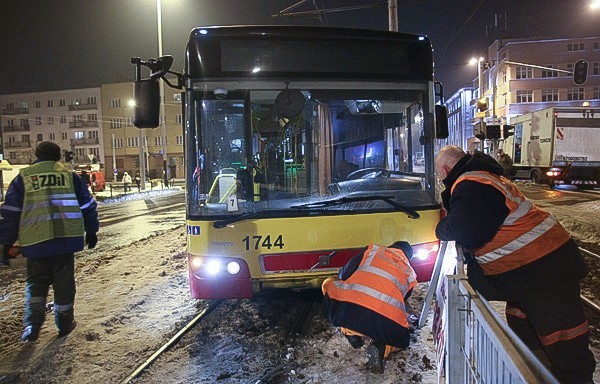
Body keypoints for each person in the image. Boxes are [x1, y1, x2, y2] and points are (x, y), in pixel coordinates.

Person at [434, 145, 595, 384]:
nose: (440, 179)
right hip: (531, 272)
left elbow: (466, 229)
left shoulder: (471, 183)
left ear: (447, 169)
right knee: (527, 334)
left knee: (563, 342)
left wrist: (440, 229)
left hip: (544, 270)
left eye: (439, 175)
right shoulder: (480, 179)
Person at [0, 141, 99, 342]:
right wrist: (91, 230)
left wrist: (6, 243)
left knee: (36, 283)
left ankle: (32, 325)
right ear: (58, 157)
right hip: (65, 241)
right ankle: (64, 324)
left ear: (37, 155)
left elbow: (11, 213)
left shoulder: (24, 177)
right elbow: (87, 204)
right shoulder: (68, 175)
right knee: (64, 284)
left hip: (36, 241)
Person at [321, 241, 417, 374]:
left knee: (328, 283)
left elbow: (344, 274)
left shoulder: (372, 251)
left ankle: (349, 331)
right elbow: (401, 302)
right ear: (408, 257)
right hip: (383, 321)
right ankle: (383, 347)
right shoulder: (410, 274)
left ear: (392, 247)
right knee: (402, 339)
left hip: (347, 311)